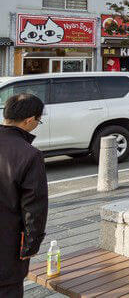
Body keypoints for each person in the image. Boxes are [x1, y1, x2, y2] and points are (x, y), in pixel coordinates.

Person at [0, 94, 49, 298]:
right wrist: (30, 246)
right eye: (38, 120)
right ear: (29, 120)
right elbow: (34, 207)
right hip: (7, 243)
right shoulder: (29, 154)